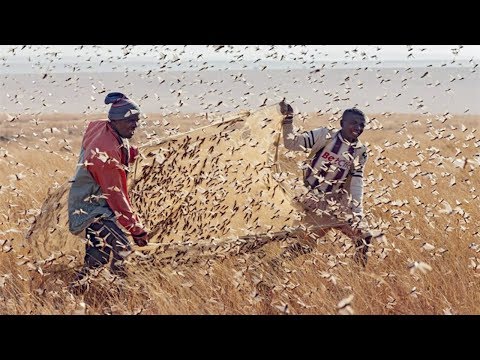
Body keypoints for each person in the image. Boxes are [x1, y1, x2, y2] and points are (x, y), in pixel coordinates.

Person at [68, 92, 148, 290]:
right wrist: (135, 229)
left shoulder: (104, 127)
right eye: (131, 121)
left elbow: (119, 145)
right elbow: (116, 195)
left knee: (97, 259)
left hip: (94, 205)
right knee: (121, 247)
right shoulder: (105, 153)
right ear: (117, 121)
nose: (135, 126)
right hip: (92, 209)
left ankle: (73, 294)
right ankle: (120, 294)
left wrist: (132, 152)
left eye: (137, 120)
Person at [278, 101, 374, 266]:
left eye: (361, 125)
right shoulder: (324, 136)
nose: (358, 128)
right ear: (342, 123)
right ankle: (275, 265)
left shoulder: (360, 151)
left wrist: (357, 213)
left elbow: (357, 183)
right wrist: (288, 120)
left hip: (337, 202)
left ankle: (360, 277)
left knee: (364, 236)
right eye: (353, 123)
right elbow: (291, 143)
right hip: (312, 200)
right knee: (306, 245)